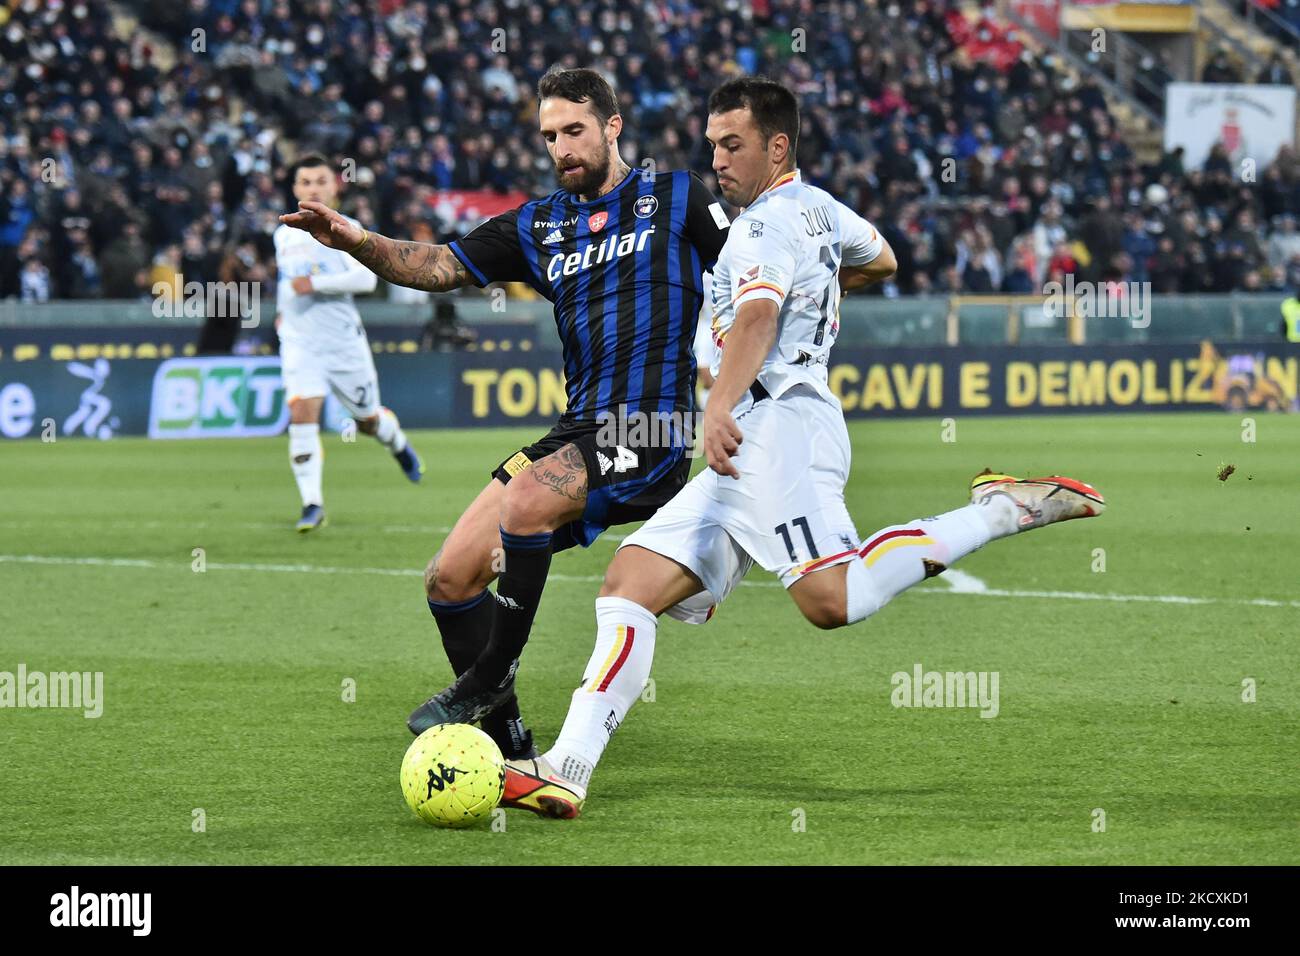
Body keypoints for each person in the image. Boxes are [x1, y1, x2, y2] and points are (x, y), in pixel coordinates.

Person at [501, 76, 1107, 818]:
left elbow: (756, 318)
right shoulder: (816, 207)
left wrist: (718, 404)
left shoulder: (759, 228)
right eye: (712, 144)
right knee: (628, 584)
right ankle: (568, 766)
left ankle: (1001, 510)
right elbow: (881, 259)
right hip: (758, 433)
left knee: (833, 599)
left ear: (776, 146)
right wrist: (821, 284)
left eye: (733, 145)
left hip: (777, 427)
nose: (716, 159)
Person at [279, 68, 732, 760]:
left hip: (655, 429)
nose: (561, 148)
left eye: (574, 131)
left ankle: (489, 676)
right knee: (450, 577)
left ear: (612, 126)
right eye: (549, 136)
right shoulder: (540, 223)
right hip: (578, 433)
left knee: (526, 497)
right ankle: (513, 752)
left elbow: (751, 271)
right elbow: (434, 264)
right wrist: (357, 241)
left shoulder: (676, 196)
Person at [273, 153, 424, 532]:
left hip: (342, 343)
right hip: (299, 342)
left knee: (367, 419)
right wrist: (283, 311)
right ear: (295, 189)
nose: (312, 188)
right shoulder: (283, 235)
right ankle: (312, 504)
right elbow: (288, 283)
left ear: (333, 186)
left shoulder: (346, 228)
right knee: (301, 413)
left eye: (320, 181)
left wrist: (316, 285)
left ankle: (397, 443)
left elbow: (367, 281)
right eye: (305, 182)